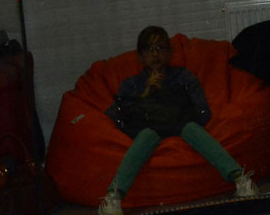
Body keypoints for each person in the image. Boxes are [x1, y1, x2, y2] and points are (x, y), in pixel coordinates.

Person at [98, 26, 255, 215]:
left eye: (161, 48)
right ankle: (113, 197)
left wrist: (175, 108)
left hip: (181, 125)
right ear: (140, 57)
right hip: (149, 130)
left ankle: (241, 179)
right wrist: (146, 93)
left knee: (192, 128)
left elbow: (203, 110)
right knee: (147, 135)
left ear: (170, 53)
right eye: (149, 49)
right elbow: (117, 115)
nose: (155, 54)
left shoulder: (182, 76)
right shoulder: (132, 84)